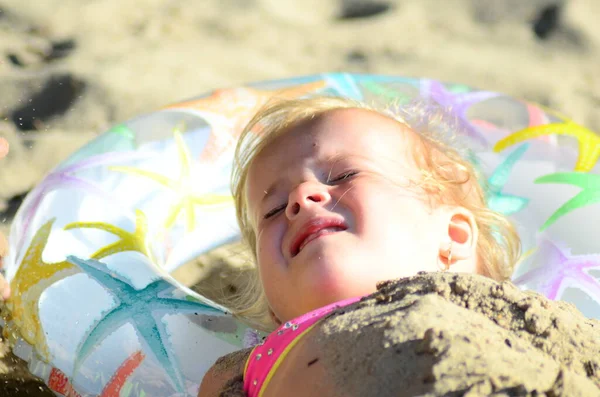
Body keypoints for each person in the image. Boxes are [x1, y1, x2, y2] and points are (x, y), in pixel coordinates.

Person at [198, 95, 521, 397]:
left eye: (344, 174)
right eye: (273, 210)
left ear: (454, 236)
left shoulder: (507, 319)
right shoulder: (242, 372)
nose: (300, 198)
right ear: (273, 305)